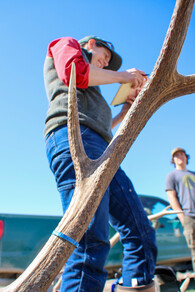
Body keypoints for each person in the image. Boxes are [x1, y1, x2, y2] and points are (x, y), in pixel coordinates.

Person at [44, 35, 157, 292]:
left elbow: (99, 126)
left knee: (141, 232)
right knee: (89, 242)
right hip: (73, 138)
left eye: (107, 63)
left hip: (99, 147)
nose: (105, 65)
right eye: (104, 58)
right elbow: (75, 72)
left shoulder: (93, 93)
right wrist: (124, 77)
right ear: (91, 43)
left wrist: (122, 114)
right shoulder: (67, 43)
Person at [166, 147, 195, 272]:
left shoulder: (193, 174)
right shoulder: (171, 176)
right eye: (177, 155)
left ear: (186, 157)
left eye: (182, 154)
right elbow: (172, 198)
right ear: (173, 160)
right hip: (189, 216)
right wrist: (182, 217)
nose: (180, 157)